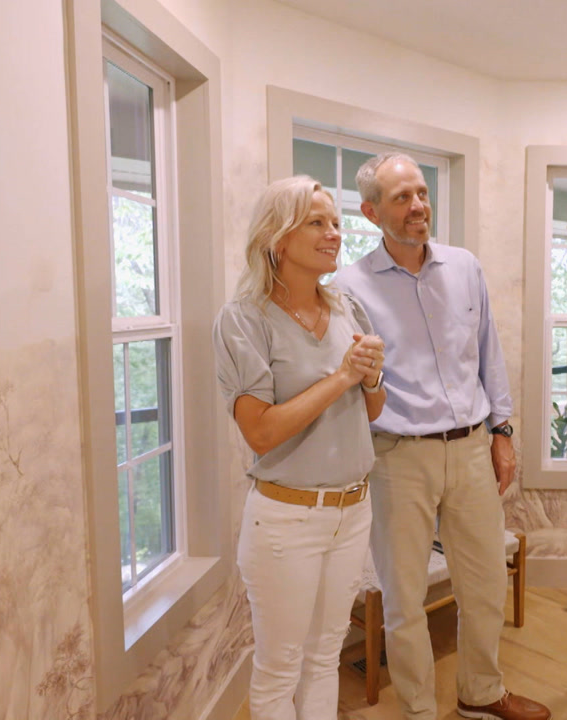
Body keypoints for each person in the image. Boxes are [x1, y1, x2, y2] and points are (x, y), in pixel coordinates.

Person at [332, 152, 550, 720]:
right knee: (404, 599)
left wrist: (502, 432)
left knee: (485, 584)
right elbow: (352, 383)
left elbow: (488, 353)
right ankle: (419, 710)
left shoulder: (464, 267)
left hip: (472, 448)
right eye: (402, 197)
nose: (418, 206)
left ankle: (481, 693)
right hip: (397, 457)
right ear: (371, 212)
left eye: (422, 193)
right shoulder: (349, 288)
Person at [213, 176, 387, 720]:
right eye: (316, 222)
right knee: (280, 668)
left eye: (335, 222)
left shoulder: (348, 309)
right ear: (278, 237)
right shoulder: (244, 320)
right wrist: (342, 377)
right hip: (286, 521)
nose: (334, 233)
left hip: (353, 511)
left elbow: (371, 412)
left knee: (325, 655)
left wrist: (372, 378)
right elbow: (261, 432)